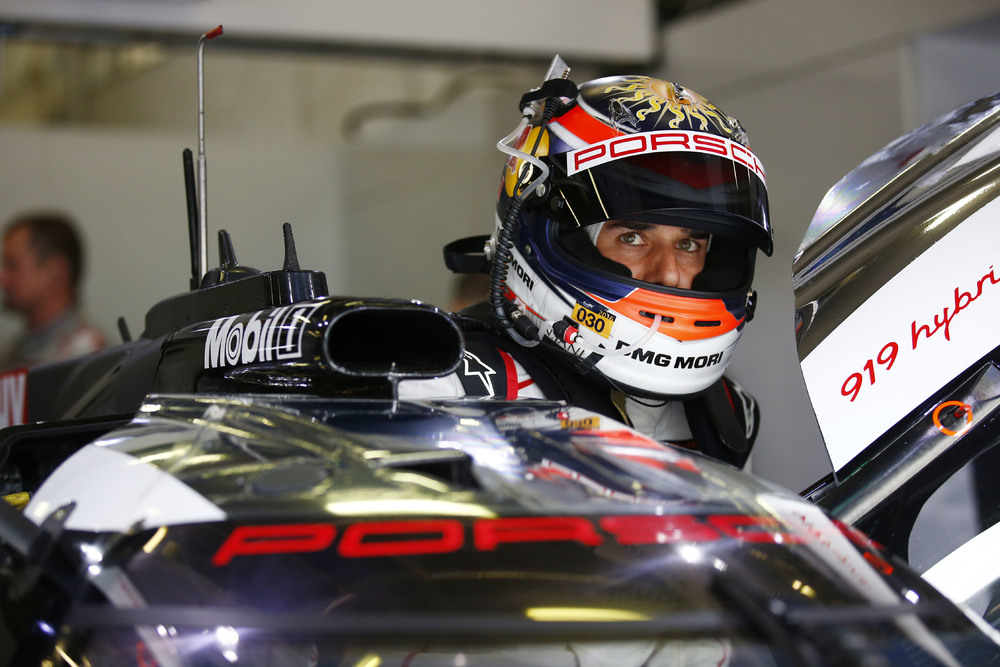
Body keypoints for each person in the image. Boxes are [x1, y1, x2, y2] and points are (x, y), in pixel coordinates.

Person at [408, 64, 772, 468]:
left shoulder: (728, 413)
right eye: (632, 238)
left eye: (688, 245)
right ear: (547, 236)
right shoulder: (451, 385)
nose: (670, 273)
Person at [0, 212, 106, 369]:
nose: (3, 277)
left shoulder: (85, 354)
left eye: (13, 265)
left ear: (57, 274)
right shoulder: (15, 349)